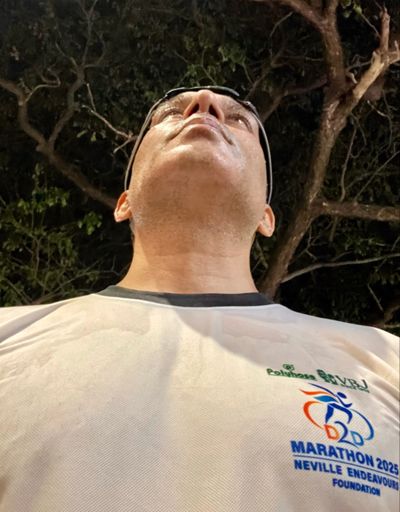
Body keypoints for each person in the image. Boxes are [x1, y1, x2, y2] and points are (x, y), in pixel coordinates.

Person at [0, 86, 398, 512]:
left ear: (266, 217)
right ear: (124, 203)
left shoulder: (385, 360)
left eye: (238, 119)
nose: (204, 101)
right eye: (171, 113)